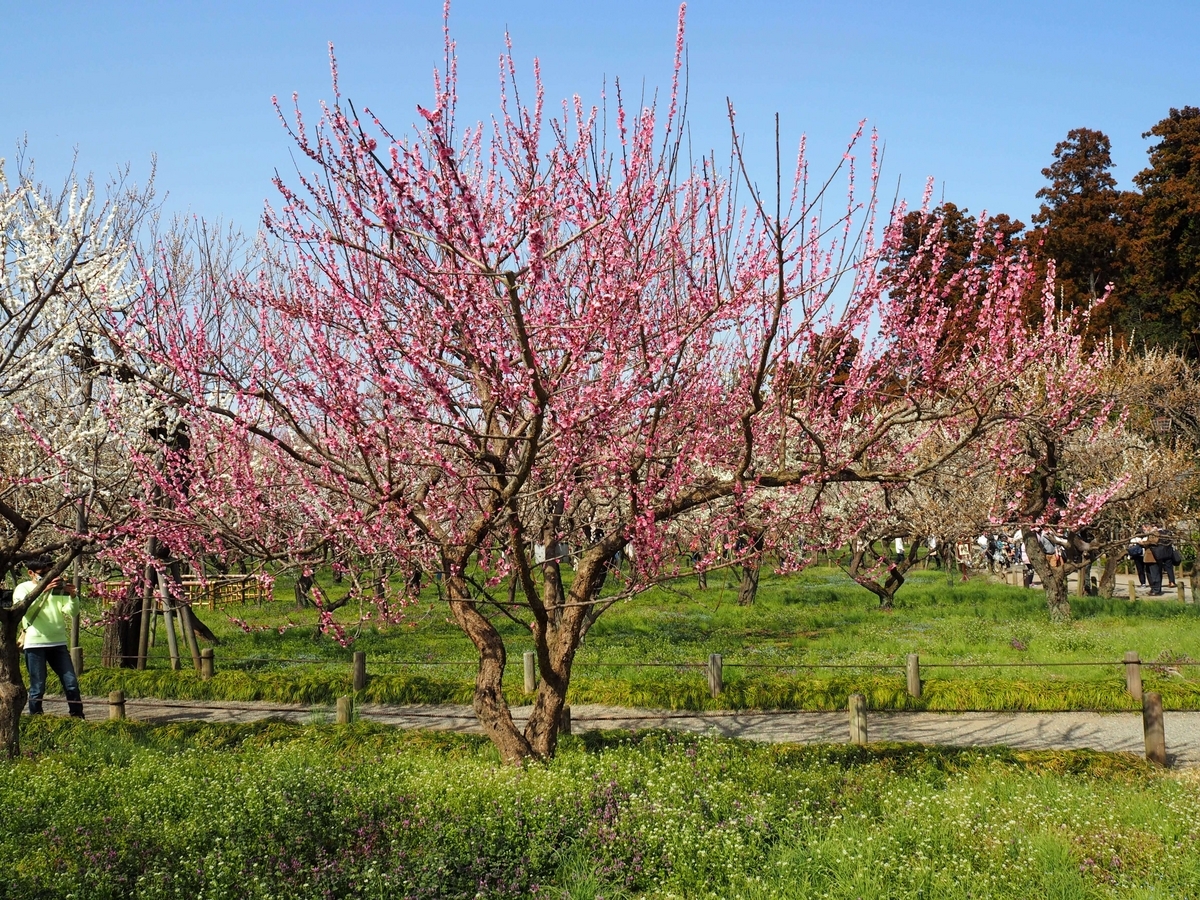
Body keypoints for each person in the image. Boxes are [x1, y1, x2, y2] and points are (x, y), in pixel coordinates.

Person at [14, 557, 84, 718]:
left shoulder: (57, 588)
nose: (47, 576)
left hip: (58, 642)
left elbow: (72, 612)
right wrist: (41, 590)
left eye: (50, 572)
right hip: (34, 643)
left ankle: (77, 716)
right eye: (42, 573)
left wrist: (73, 596)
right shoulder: (22, 588)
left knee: (71, 683)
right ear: (30, 573)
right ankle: (36, 717)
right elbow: (22, 609)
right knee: (38, 686)